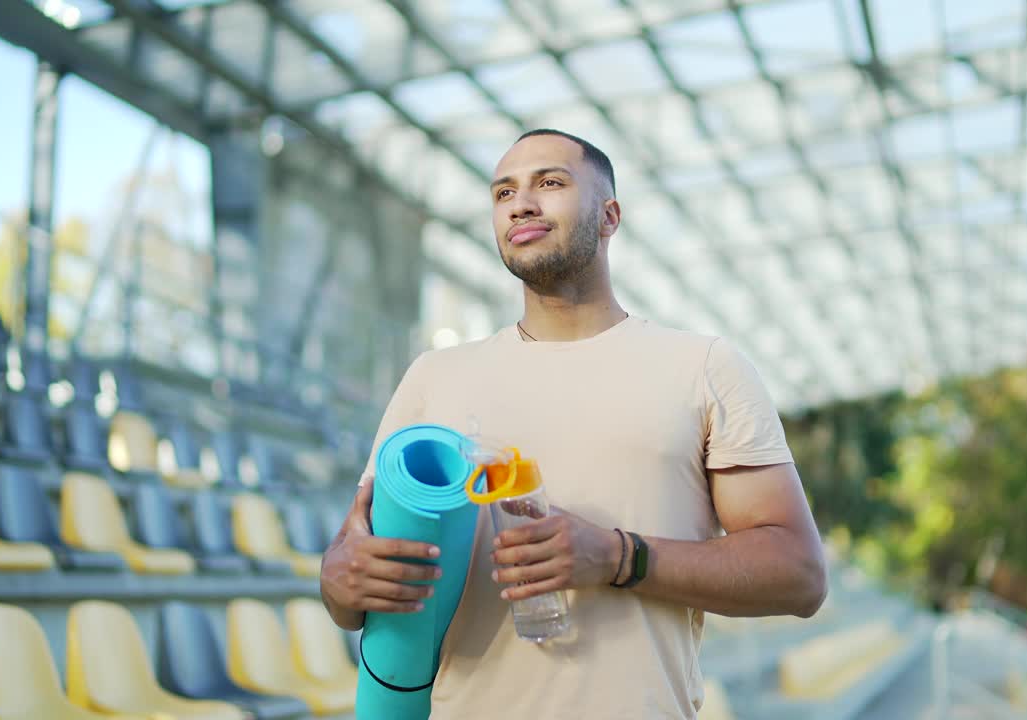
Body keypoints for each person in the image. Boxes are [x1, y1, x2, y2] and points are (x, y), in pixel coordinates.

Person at [321, 129, 827, 719]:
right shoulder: (435, 377)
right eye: (503, 192)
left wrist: (617, 557)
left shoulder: (703, 367)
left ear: (610, 215)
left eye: (551, 183)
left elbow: (799, 575)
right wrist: (338, 583)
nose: (521, 203)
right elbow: (353, 567)